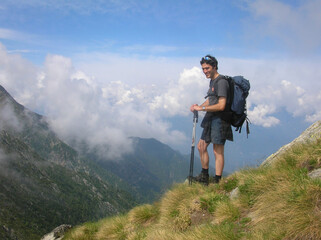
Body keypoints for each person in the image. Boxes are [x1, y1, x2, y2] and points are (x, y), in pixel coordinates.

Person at [190, 55, 233, 185]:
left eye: (207, 68)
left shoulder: (221, 82)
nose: (205, 71)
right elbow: (211, 99)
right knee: (201, 146)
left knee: (217, 150)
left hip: (220, 119)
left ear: (214, 66)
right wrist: (199, 107)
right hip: (211, 117)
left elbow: (221, 105)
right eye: (203, 69)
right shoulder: (212, 81)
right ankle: (204, 176)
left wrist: (202, 108)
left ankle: (217, 180)